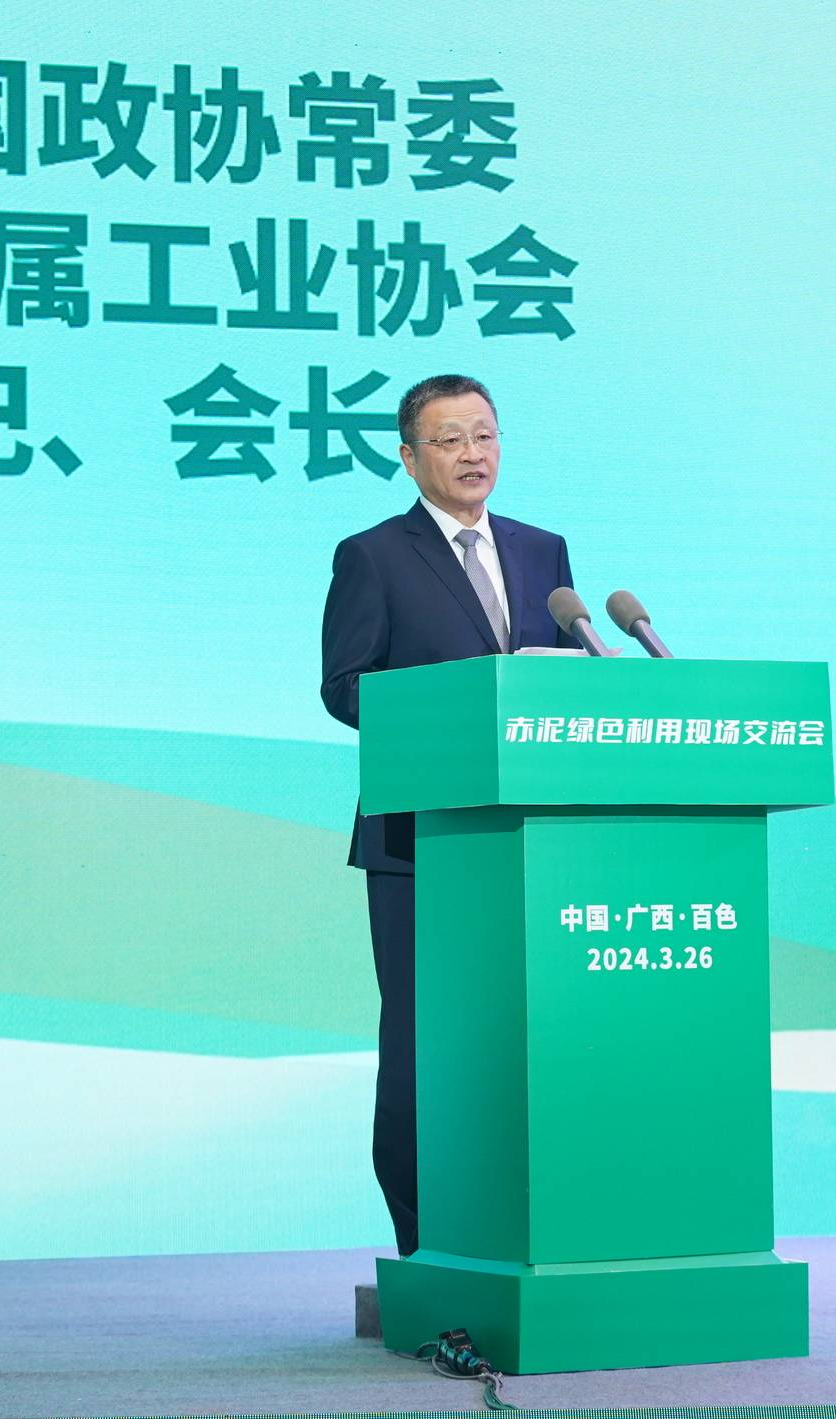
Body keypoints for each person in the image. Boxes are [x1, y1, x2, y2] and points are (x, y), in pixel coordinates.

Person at [319, 374, 573, 1258]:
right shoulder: (373, 555)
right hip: (420, 844)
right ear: (409, 455)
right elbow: (345, 686)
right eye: (451, 439)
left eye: (485, 435)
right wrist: (454, 714)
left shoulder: (544, 551)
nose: (473, 454)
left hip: (529, 843)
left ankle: (522, 1233)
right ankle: (427, 1251)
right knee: (425, 1049)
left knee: (520, 1042)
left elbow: (555, 685)